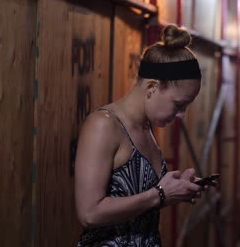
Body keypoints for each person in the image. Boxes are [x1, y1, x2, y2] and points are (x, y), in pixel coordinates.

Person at [75, 25, 205, 247]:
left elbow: (139, 202)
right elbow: (90, 213)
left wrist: (175, 189)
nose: (182, 115)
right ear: (152, 87)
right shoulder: (104, 125)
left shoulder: (147, 128)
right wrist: (161, 194)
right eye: (179, 104)